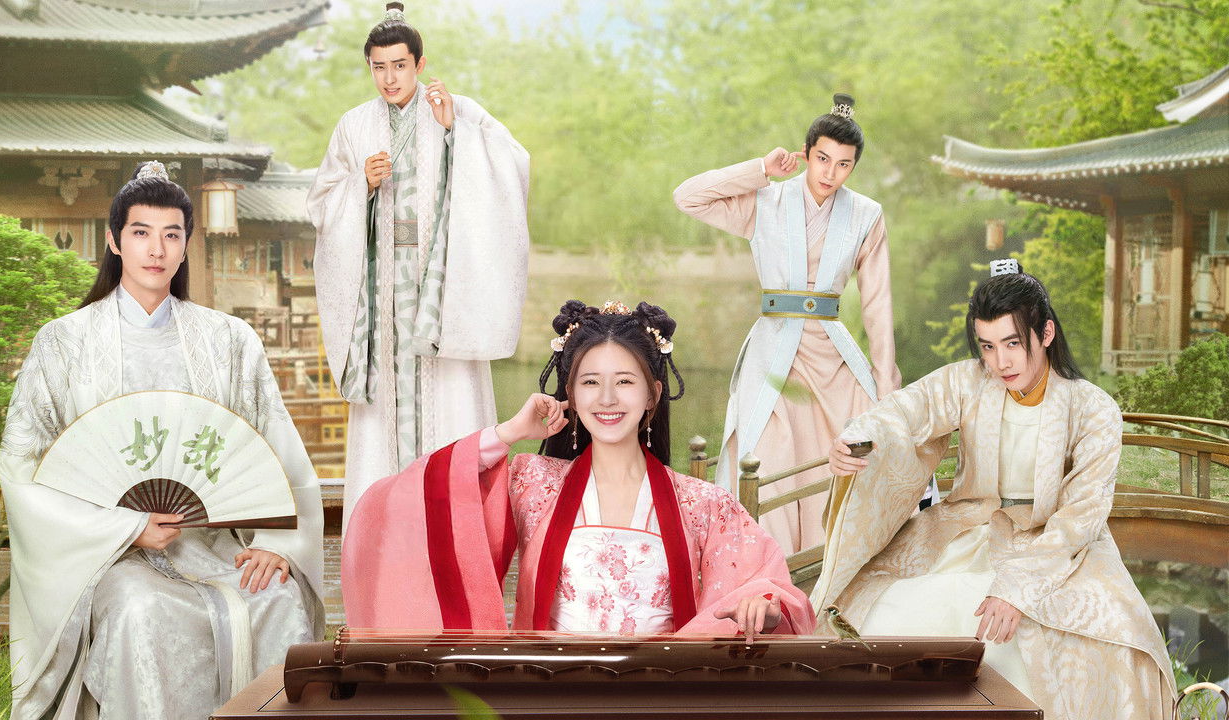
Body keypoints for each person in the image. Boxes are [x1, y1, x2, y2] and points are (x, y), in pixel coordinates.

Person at [0, 163, 324, 720]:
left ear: (186, 244)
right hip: (108, 554)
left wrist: (280, 543)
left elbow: (277, 449)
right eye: (141, 233)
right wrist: (125, 527)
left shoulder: (229, 340)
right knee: (141, 609)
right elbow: (21, 468)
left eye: (172, 234)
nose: (157, 249)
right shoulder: (64, 343)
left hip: (216, 544)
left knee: (276, 598)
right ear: (114, 241)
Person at [815, 263, 1174, 719]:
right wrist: (858, 439)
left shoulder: (1093, 409)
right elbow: (906, 411)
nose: (1000, 362)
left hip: (1057, 543)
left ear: (1045, 333)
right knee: (884, 610)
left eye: (1012, 344)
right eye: (987, 346)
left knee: (1110, 631)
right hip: (967, 525)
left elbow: (1081, 515)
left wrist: (1016, 588)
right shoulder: (967, 382)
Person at [342, 300, 816, 638]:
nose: (607, 400)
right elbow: (416, 503)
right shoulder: (532, 482)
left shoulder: (703, 503)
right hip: (552, 697)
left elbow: (769, 586)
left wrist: (763, 609)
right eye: (590, 382)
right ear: (571, 390)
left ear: (652, 394)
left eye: (624, 382)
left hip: (662, 697)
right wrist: (508, 432)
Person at [307, 2, 530, 529]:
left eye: (400, 65)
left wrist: (456, 135)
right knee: (384, 415)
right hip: (381, 298)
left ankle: (456, 530)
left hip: (441, 296)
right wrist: (359, 184)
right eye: (379, 67)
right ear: (370, 68)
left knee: (448, 403)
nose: (390, 77)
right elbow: (319, 204)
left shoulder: (457, 109)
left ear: (420, 63)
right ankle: (383, 530)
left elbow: (513, 166)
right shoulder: (353, 125)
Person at [672, 93, 901, 554]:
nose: (829, 173)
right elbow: (687, 197)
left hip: (832, 352)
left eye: (843, 164)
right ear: (806, 153)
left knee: (846, 449)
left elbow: (877, 302)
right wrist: (760, 168)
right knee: (767, 455)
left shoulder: (865, 214)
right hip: (775, 347)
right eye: (821, 158)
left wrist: (886, 375)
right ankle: (771, 569)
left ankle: (834, 565)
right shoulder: (766, 201)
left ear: (853, 167)